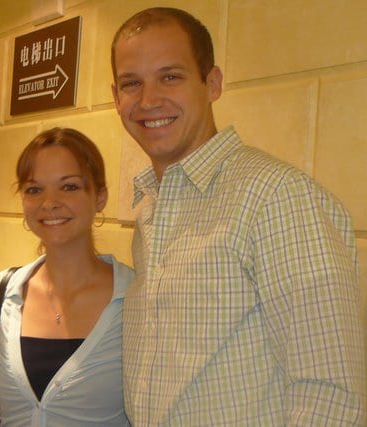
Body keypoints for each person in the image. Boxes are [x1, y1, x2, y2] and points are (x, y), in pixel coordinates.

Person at [111, 7, 366, 425]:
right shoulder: (154, 209)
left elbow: (331, 397)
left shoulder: (278, 198)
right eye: (131, 83)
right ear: (115, 98)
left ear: (212, 83)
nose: (148, 100)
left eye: (170, 77)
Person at [0, 127, 134, 426]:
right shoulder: (1, 292)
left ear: (99, 197)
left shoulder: (134, 297)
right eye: (34, 189)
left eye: (70, 187)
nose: (49, 202)